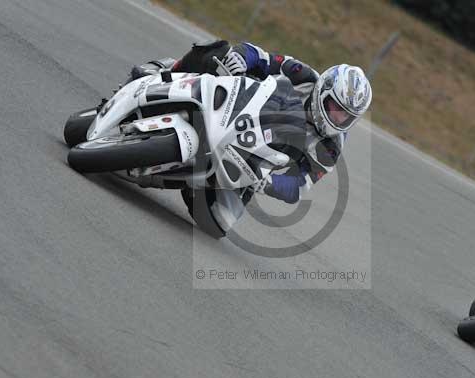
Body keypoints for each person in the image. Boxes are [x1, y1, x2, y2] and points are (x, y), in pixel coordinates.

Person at [129, 40, 372, 235]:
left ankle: (162, 176)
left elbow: (298, 185)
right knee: (219, 51)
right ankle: (164, 73)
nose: (337, 117)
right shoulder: (303, 76)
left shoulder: (330, 147)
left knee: (217, 222)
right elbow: (261, 56)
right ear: (324, 89)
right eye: (334, 106)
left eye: (346, 117)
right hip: (236, 107)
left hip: (249, 160)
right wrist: (240, 58)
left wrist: (267, 183)